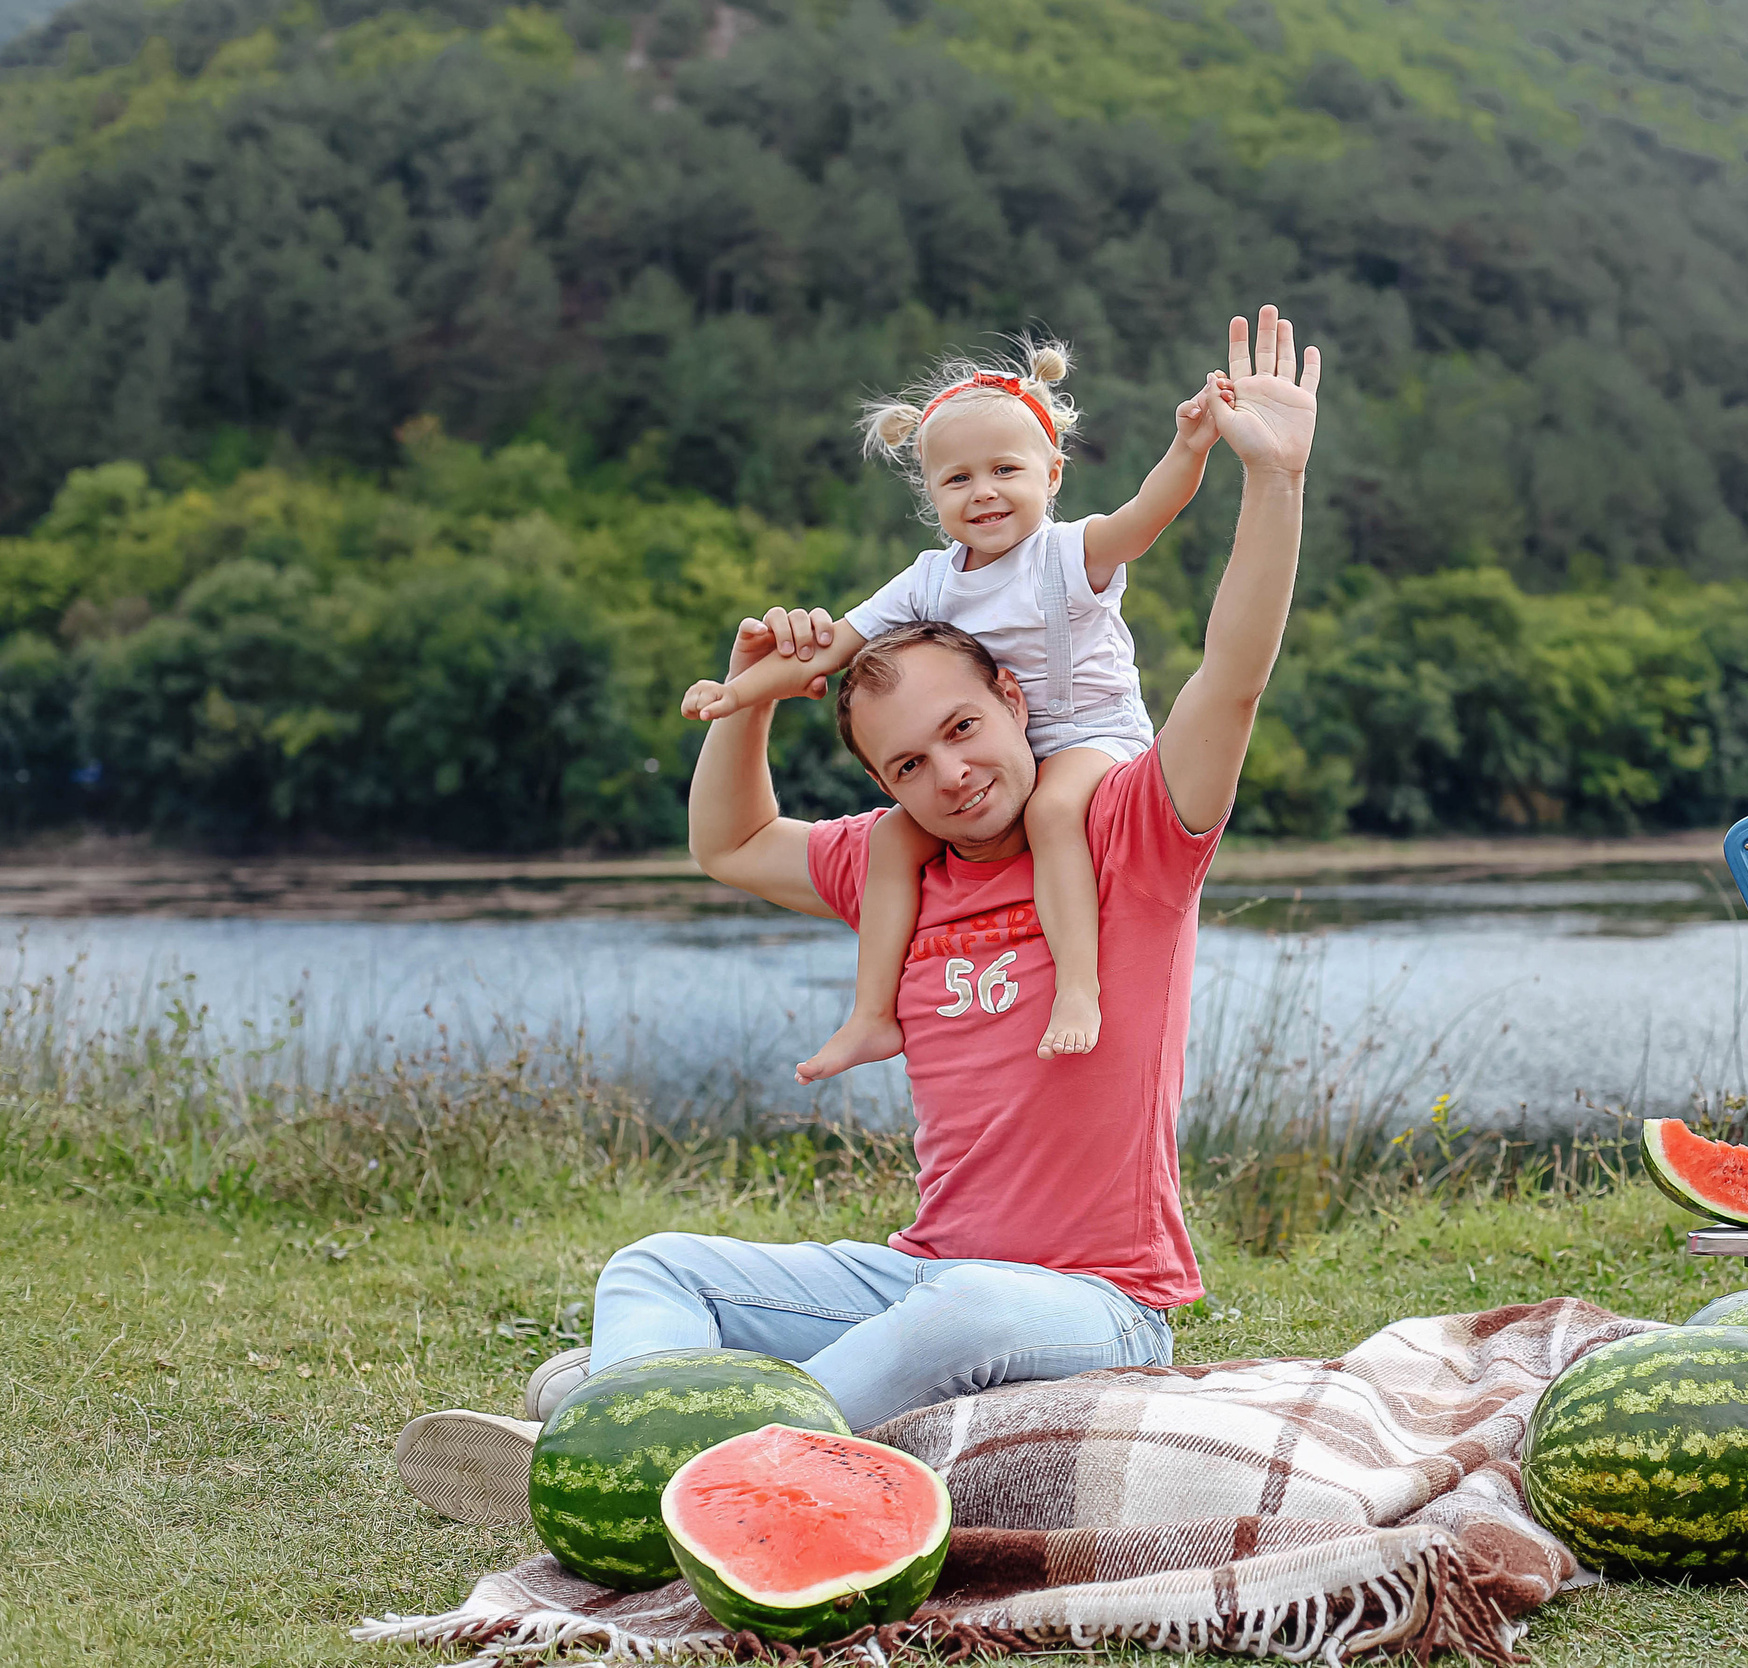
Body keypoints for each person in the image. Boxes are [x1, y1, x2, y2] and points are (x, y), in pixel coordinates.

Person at [393, 306, 1320, 1526]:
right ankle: (629, 1425)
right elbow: (727, 843)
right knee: (655, 1264)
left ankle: (654, 1466)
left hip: (1092, 1301)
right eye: (906, 766)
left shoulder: (1124, 837)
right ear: (884, 786)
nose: (949, 775)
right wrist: (747, 697)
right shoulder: (903, 864)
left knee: (966, 1312)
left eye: (961, 731)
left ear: (1011, 692)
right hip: (916, 1272)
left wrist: (1274, 482)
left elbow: (1233, 673)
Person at [680, 339, 1230, 1072]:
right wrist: (735, 692)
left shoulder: (1068, 554)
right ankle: (873, 1015)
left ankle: (1077, 987)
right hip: (1003, 746)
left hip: (1092, 734)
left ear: (1053, 474)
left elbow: (1146, 515)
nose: (984, 492)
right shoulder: (929, 581)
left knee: (1054, 811)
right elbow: (835, 643)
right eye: (958, 478)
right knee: (892, 843)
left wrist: (1189, 447)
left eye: (1006, 470)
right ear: (932, 496)